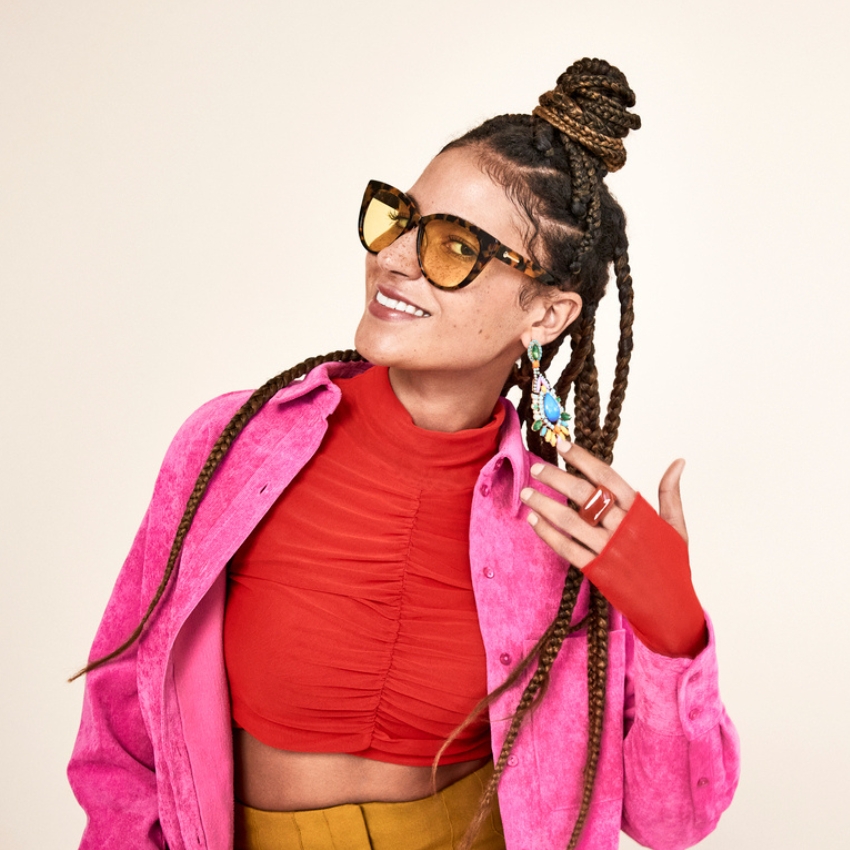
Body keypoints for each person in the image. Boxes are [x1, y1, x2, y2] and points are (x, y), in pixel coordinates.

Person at [68, 58, 740, 850]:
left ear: (548, 313)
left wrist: (672, 632)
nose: (395, 258)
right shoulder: (235, 448)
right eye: (401, 219)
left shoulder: (572, 527)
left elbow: (671, 822)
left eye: (455, 248)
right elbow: (122, 723)